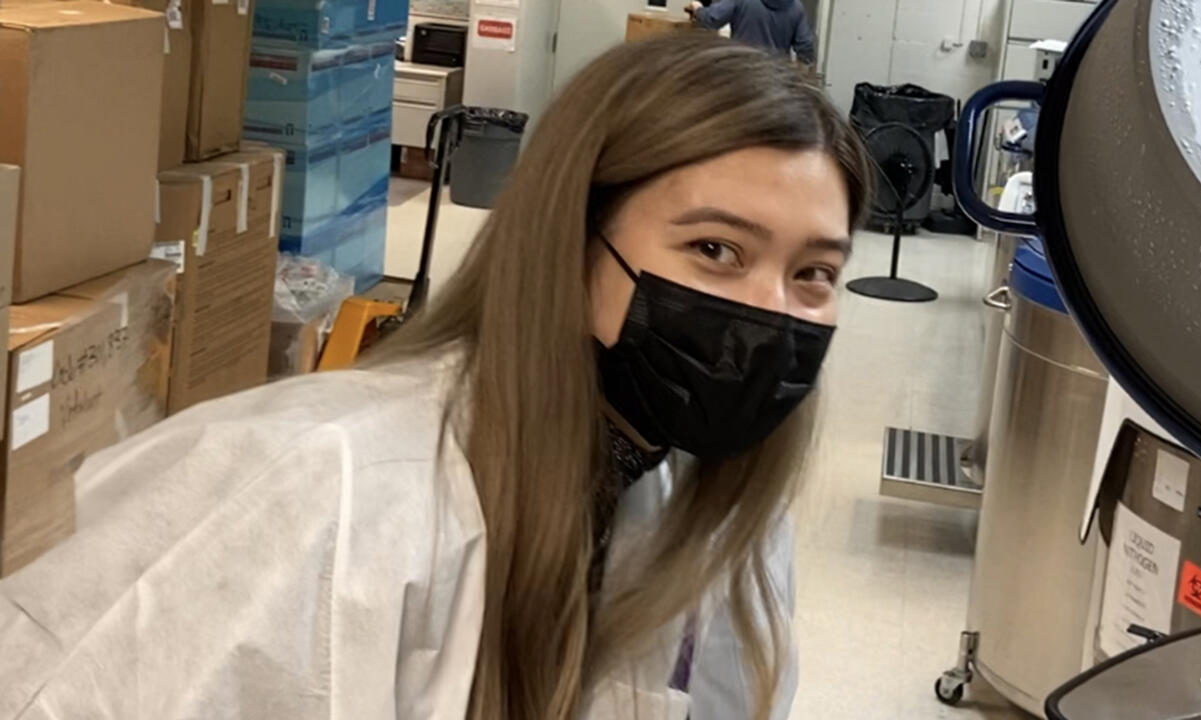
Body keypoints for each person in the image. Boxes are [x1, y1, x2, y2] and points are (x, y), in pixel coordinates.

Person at [0, 35, 869, 720]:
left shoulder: (726, 522)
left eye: (813, 274)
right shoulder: (322, 489)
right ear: (571, 246)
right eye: (715, 249)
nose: (771, 311)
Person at [685, 0, 817, 66]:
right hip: (777, 81)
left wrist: (697, 9)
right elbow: (806, 50)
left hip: (743, 74)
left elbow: (711, 19)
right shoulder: (796, 7)